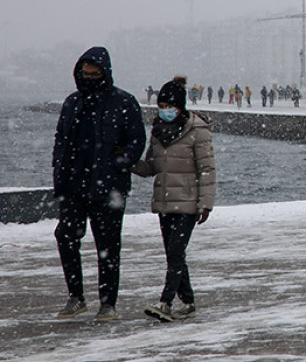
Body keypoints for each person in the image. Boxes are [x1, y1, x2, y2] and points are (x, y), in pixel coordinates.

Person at [52, 46, 147, 322]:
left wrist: (121, 162)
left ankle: (108, 304)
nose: (90, 78)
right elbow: (60, 142)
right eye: (85, 73)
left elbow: (136, 140)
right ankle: (76, 296)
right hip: (74, 187)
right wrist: (60, 176)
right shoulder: (72, 103)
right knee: (65, 237)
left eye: (95, 74)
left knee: (107, 247)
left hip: (109, 188)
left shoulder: (124, 102)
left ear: (105, 73)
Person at [132, 76, 216, 322]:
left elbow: (207, 170)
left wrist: (205, 204)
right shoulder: (158, 132)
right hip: (165, 202)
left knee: (176, 251)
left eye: (170, 106)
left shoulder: (197, 130)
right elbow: (151, 167)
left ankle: (166, 302)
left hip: (188, 203)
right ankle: (188, 302)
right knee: (173, 254)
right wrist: (128, 163)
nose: (165, 111)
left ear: (181, 106)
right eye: (162, 106)